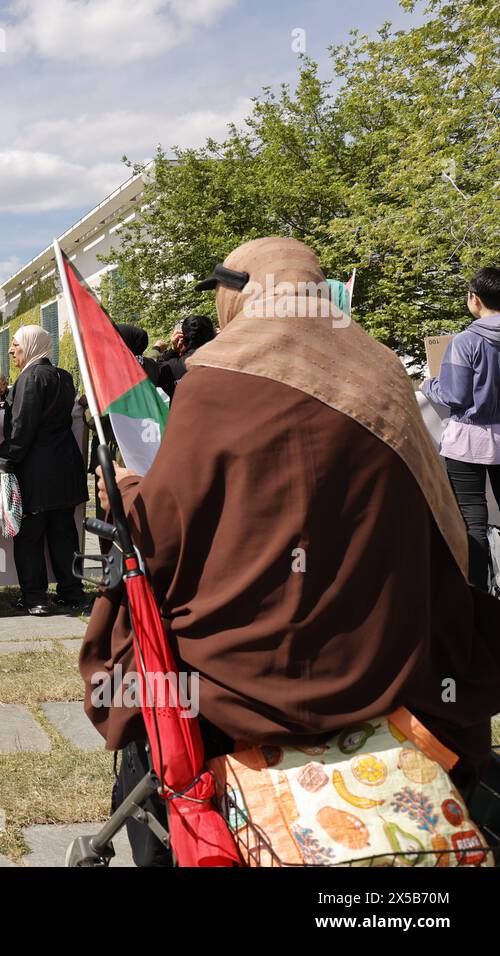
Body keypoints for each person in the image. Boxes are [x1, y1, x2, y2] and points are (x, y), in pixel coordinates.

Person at [81, 239, 500, 863]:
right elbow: (437, 525)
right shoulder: (382, 371)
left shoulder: (214, 379)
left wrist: (126, 488)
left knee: (139, 646)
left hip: (235, 678)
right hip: (386, 661)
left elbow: (161, 535)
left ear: (241, 293)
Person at [0, 325, 89, 615]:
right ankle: (72, 592)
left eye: (15, 345)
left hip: (37, 469)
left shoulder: (30, 378)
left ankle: (35, 597)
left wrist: (5, 460)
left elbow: (23, 426)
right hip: (65, 465)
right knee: (64, 533)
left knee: (30, 536)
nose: (11, 351)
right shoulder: (63, 376)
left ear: (30, 346)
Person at [422, 268, 500, 590]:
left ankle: (479, 598)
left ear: (475, 299)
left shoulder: (465, 342)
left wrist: (429, 385)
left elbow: (454, 395)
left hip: (468, 441)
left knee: (472, 521)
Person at [155, 315, 217, 397]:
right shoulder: (226, 359)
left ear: (182, 338)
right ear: (213, 334)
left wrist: (172, 350)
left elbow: (148, 370)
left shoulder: (170, 367)